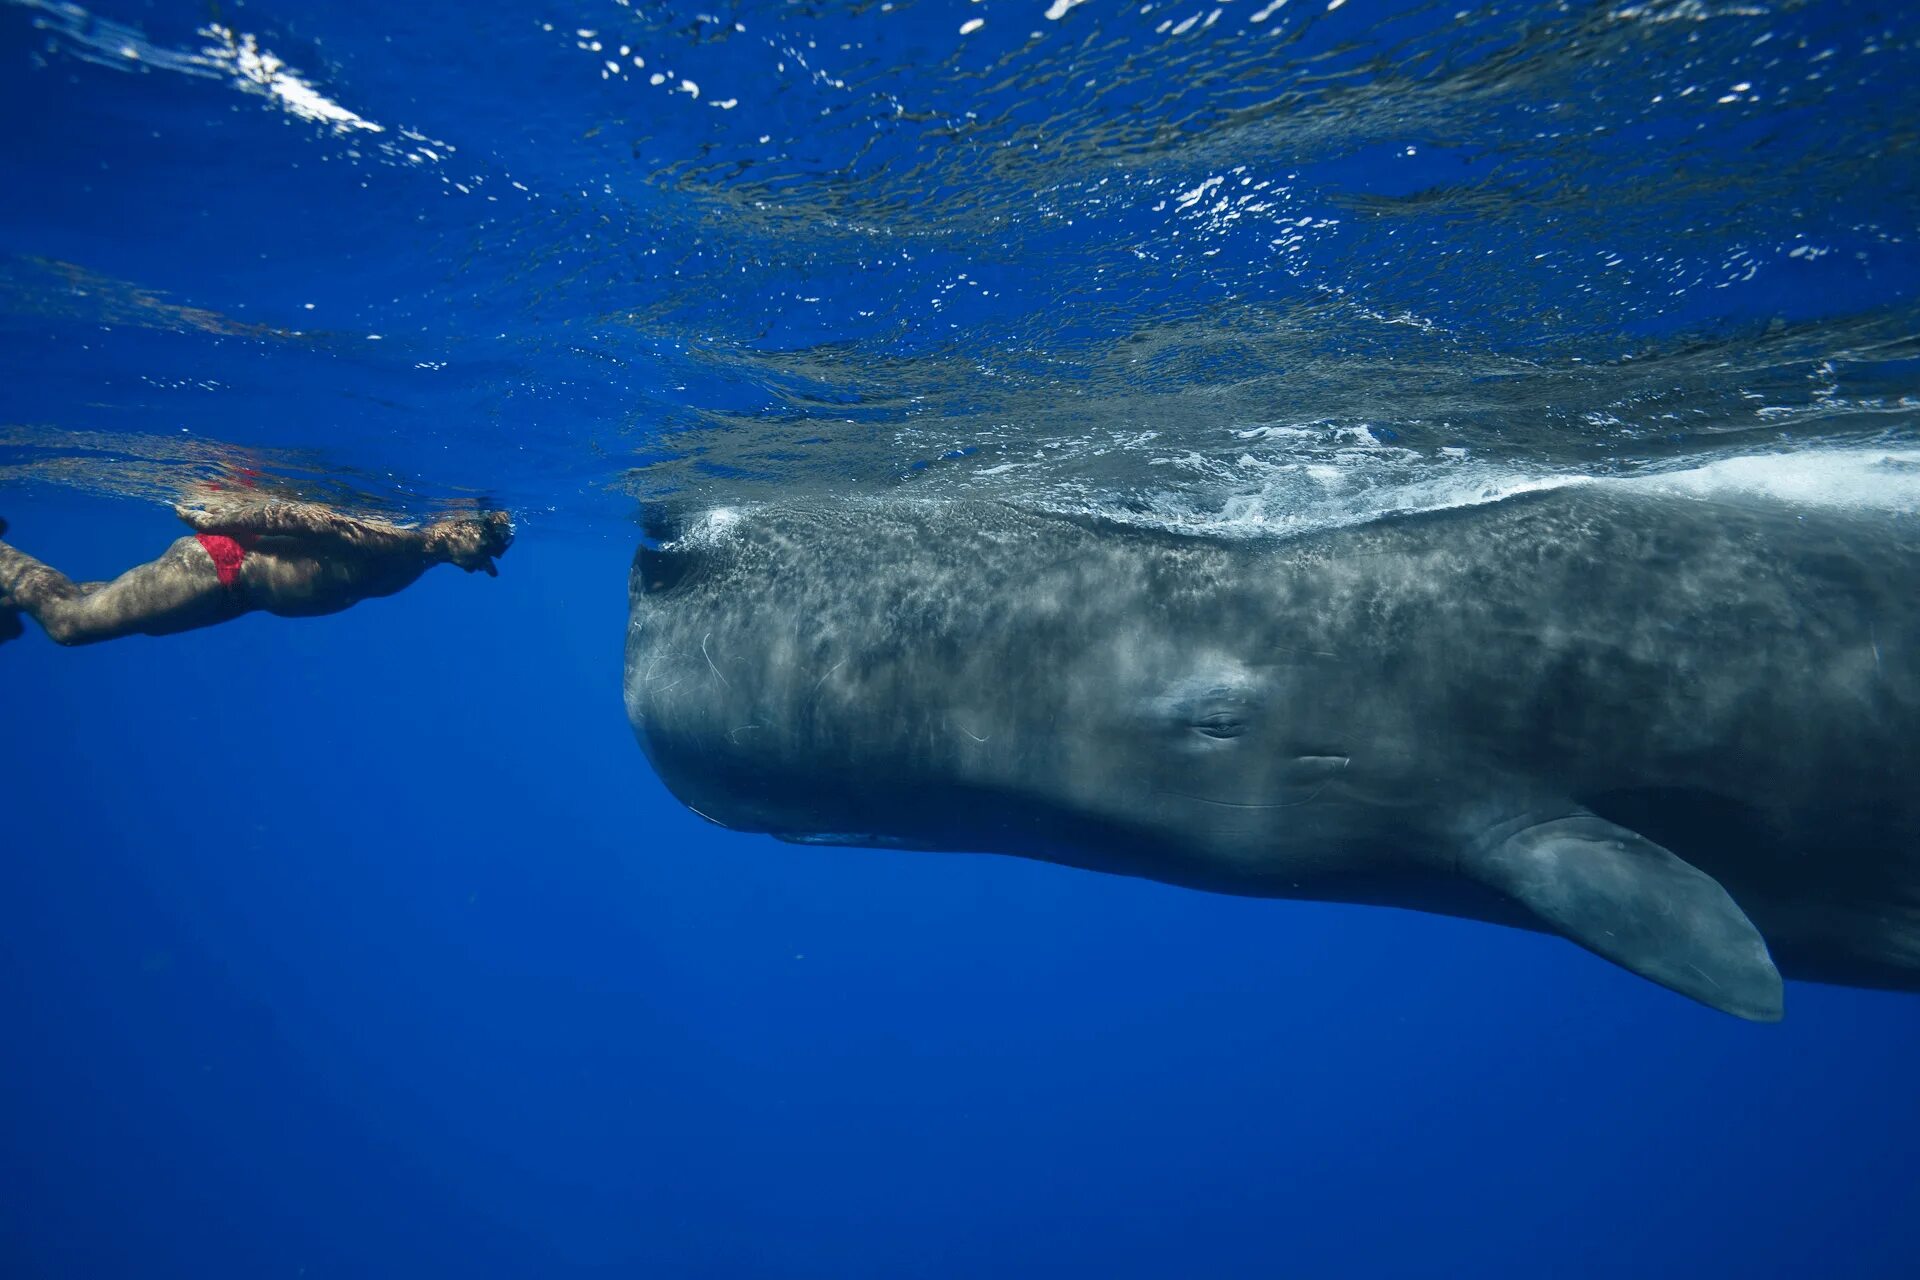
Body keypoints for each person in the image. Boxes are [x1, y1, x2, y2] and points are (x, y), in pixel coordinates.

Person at [0, 497, 512, 647]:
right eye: (483, 550)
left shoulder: (418, 557)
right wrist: (215, 517)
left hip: (237, 596)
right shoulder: (398, 544)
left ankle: (10, 594)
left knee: (127, 611)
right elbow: (300, 518)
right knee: (70, 624)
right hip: (224, 569)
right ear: (458, 529)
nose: (482, 566)